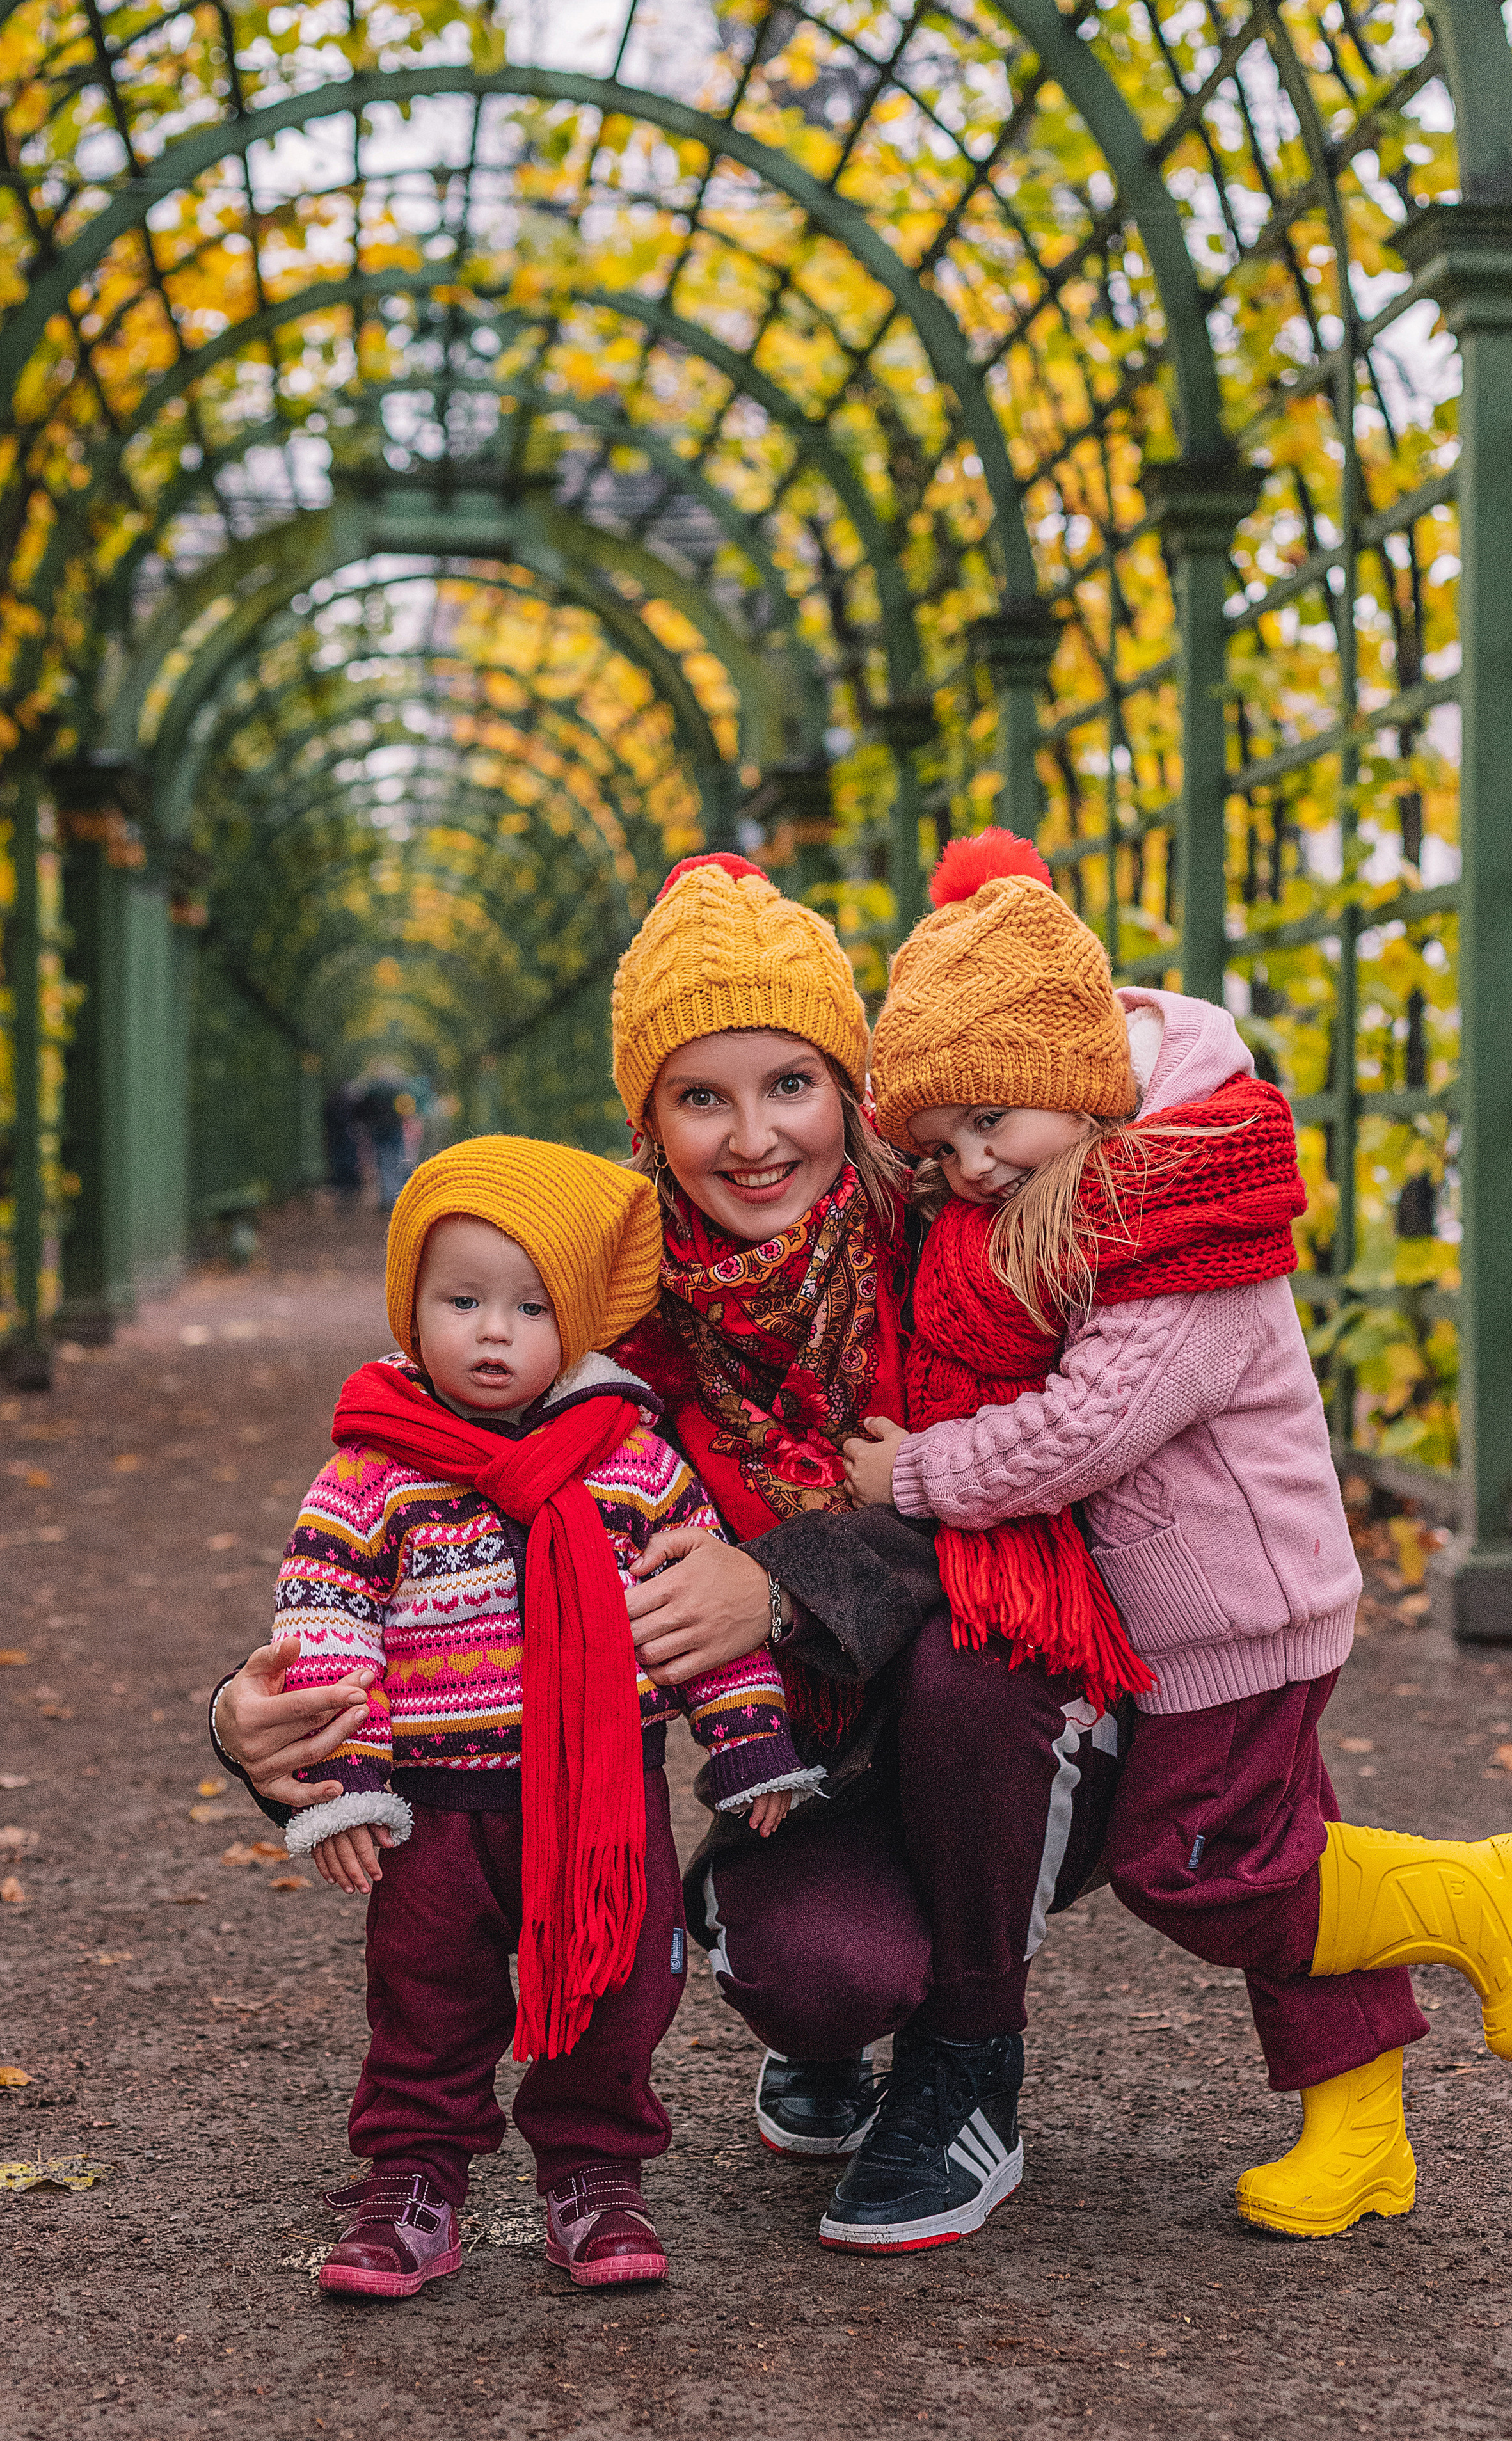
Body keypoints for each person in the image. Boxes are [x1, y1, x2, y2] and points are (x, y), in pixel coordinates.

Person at [215, 852, 1129, 2259]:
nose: (753, 1137)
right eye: (701, 1097)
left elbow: (1049, 1488)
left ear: (850, 1090)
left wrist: (777, 1581)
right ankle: (802, 1964)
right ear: (647, 1118)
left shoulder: (954, 1240)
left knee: (973, 1661)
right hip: (800, 1755)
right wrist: (245, 1711)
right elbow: (433, 1493)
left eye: (791, 1084)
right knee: (816, 1972)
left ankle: (967, 2062)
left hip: (1010, 1733)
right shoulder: (610, 1321)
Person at [843, 828, 1512, 2241]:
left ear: (1068, 1078)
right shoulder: (1090, 1193)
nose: (969, 1168)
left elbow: (1087, 1431)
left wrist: (916, 1476)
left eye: (988, 1124)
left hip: (1234, 1607)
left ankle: (1477, 1896)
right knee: (1271, 1839)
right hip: (1188, 1603)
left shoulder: (1183, 1222)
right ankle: (1359, 2135)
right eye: (936, 1148)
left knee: (1202, 1868)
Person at [257, 1134, 816, 2299]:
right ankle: (411, 2176)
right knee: (425, 1996)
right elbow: (327, 1625)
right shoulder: (373, 1472)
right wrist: (347, 1780)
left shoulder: (635, 1463)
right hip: (436, 1811)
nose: (494, 1332)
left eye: (528, 1306)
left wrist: (749, 1738)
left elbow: (694, 1610)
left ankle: (595, 2169)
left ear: (582, 1322)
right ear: (413, 1309)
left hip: (605, 1801)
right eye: (462, 1301)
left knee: (621, 1988)